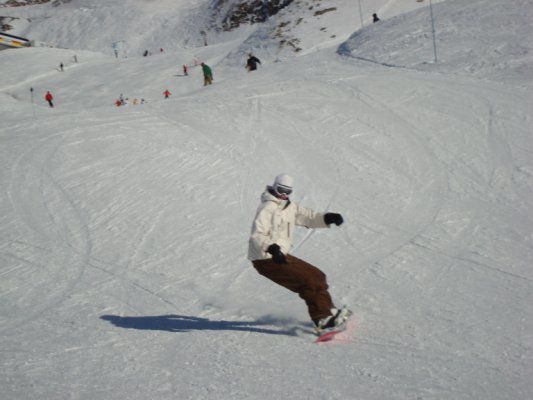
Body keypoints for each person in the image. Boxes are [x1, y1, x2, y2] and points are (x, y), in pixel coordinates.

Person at [248, 173, 350, 332]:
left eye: (287, 192)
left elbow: (308, 217)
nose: (283, 194)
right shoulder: (267, 207)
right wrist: (271, 248)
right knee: (308, 281)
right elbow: (257, 234)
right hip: (265, 258)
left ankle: (329, 311)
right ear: (274, 187)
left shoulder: (290, 207)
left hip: (280, 256)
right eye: (281, 190)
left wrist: (327, 218)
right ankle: (322, 319)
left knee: (318, 276)